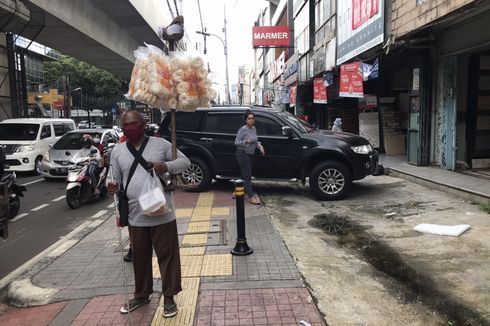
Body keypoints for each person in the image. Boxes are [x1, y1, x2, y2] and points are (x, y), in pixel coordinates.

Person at [107, 110, 190, 317]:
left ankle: (169, 297)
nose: (130, 128)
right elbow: (113, 177)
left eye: (134, 123)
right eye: (126, 125)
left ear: (143, 124)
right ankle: (141, 295)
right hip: (135, 213)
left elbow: (185, 162)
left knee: (167, 255)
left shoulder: (161, 145)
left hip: (162, 211)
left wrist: (166, 166)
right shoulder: (117, 151)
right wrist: (111, 185)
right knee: (140, 257)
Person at [234, 110, 265, 205]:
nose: (251, 120)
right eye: (249, 118)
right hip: (242, 153)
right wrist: (246, 142)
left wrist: (260, 146)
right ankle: (251, 196)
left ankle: (236, 191)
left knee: (244, 174)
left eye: (253, 118)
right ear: (246, 120)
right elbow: (236, 142)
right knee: (247, 175)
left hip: (250, 154)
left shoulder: (254, 129)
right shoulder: (242, 129)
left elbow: (256, 141)